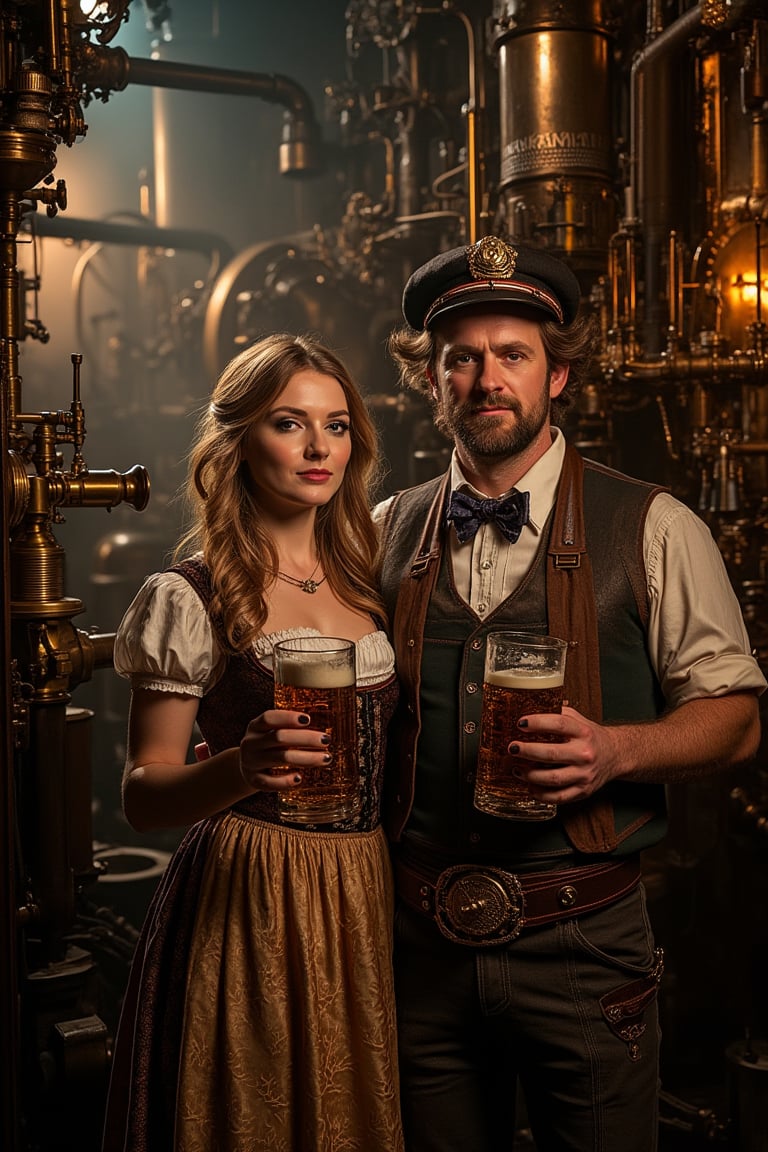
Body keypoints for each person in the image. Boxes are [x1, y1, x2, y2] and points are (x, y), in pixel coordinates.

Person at [374, 234, 766, 1152]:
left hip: (583, 944)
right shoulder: (385, 525)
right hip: (414, 942)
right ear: (431, 381)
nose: (486, 379)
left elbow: (738, 721)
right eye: (461, 359)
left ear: (558, 376)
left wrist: (617, 750)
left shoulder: (656, 526)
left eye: (512, 355)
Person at [101, 333, 404, 1152]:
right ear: (238, 441)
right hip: (254, 889)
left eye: (336, 426)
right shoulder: (192, 592)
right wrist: (239, 767)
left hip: (362, 888)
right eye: (288, 423)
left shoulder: (368, 577)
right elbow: (142, 794)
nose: (318, 448)